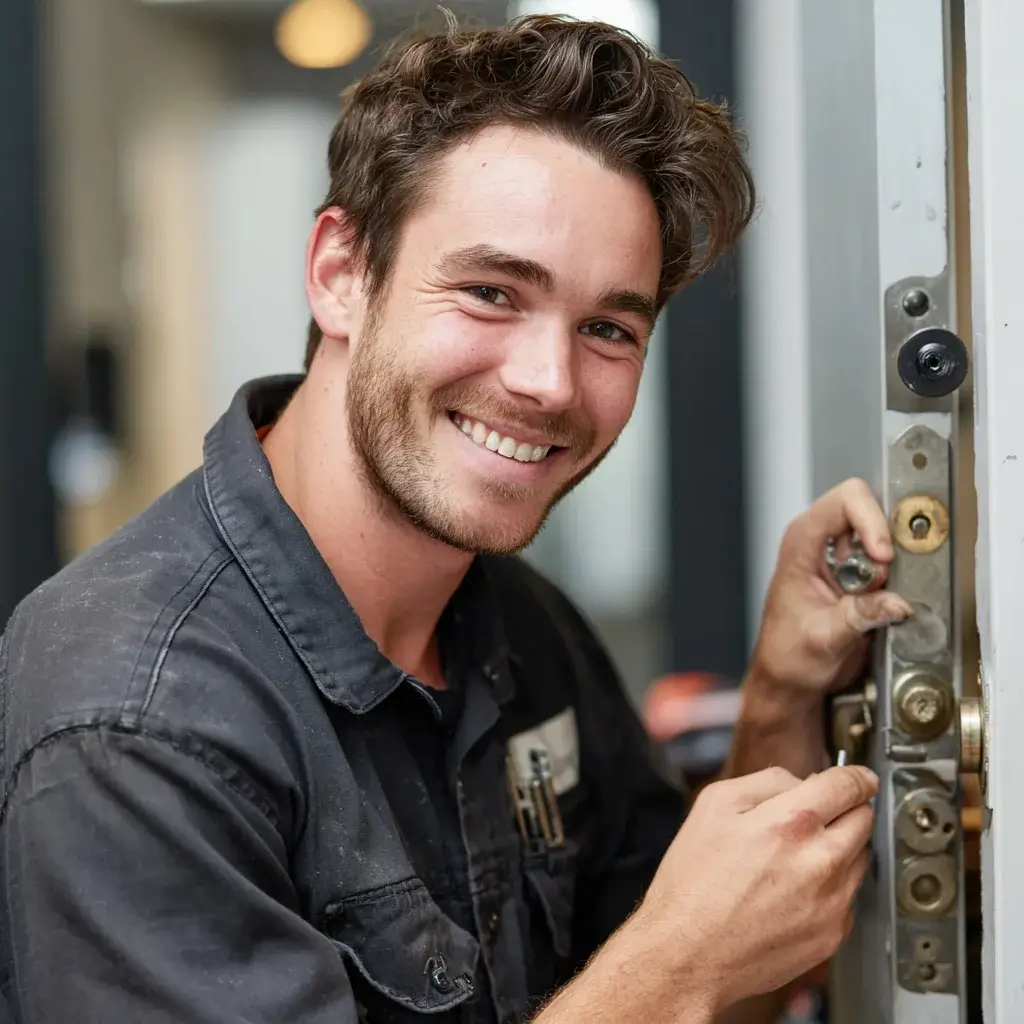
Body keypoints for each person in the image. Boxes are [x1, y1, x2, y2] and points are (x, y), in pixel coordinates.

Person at [0, 13, 914, 1024]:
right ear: (341, 273)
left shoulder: (517, 623)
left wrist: (783, 690)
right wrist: (672, 969)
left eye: (607, 327)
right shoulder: (136, 716)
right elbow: (674, 975)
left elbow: (715, 978)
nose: (547, 381)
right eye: (489, 291)